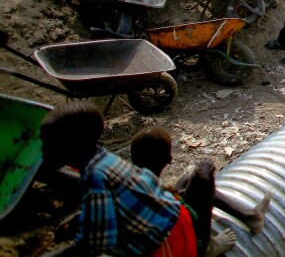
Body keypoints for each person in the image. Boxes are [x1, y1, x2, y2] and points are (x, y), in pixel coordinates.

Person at [39, 102, 199, 257]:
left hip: (168, 239)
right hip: (172, 219)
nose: (42, 149)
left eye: (48, 144)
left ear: (71, 147)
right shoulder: (104, 158)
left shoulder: (95, 177)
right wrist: (79, 219)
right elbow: (111, 204)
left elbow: (95, 244)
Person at [130, 127, 271, 254]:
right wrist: (202, 178)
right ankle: (206, 246)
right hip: (172, 248)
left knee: (186, 180)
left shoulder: (129, 186)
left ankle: (250, 216)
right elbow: (179, 216)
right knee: (202, 179)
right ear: (170, 159)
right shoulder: (160, 201)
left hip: (153, 236)